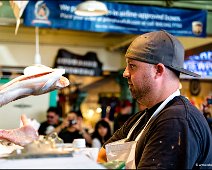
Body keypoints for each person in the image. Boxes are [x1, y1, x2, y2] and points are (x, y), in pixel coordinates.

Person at [97, 30, 212, 169]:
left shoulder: (176, 121)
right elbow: (102, 157)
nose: (125, 73)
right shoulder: (141, 118)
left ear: (158, 70)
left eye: (132, 66)